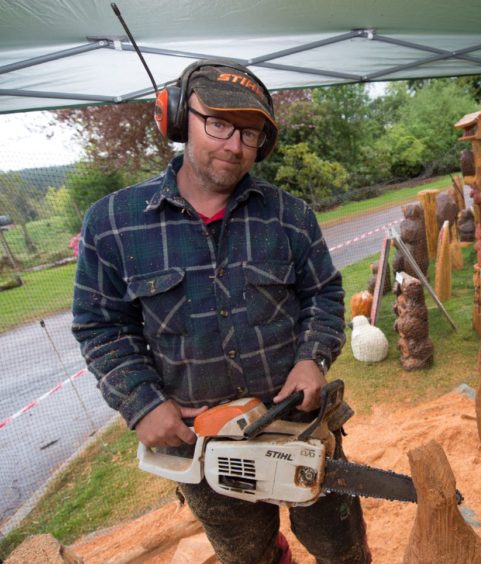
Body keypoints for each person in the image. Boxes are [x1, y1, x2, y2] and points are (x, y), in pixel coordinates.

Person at [72, 60, 370, 564]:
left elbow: (323, 295)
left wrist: (311, 359)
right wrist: (140, 402)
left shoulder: (290, 216)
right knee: (247, 554)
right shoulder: (114, 223)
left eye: (250, 133)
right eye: (218, 123)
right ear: (177, 117)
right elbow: (102, 325)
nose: (233, 144)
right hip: (202, 441)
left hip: (296, 424)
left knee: (341, 546)